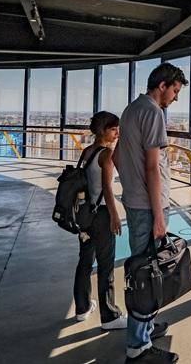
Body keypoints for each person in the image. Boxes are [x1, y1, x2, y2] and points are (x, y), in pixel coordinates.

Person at [115, 62, 187, 363]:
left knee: (141, 267)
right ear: (163, 86)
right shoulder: (154, 113)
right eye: (175, 91)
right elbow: (152, 168)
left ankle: (144, 329)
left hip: (135, 201)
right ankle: (138, 348)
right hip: (148, 206)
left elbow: (118, 155)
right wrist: (159, 215)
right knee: (146, 274)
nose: (175, 98)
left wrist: (132, 186)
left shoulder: (131, 110)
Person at [73, 111, 126, 330]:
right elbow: (107, 188)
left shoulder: (87, 151)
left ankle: (82, 308)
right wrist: (115, 215)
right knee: (106, 265)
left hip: (85, 214)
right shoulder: (106, 155)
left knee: (85, 261)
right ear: (103, 130)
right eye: (114, 129)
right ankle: (109, 316)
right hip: (101, 215)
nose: (117, 133)